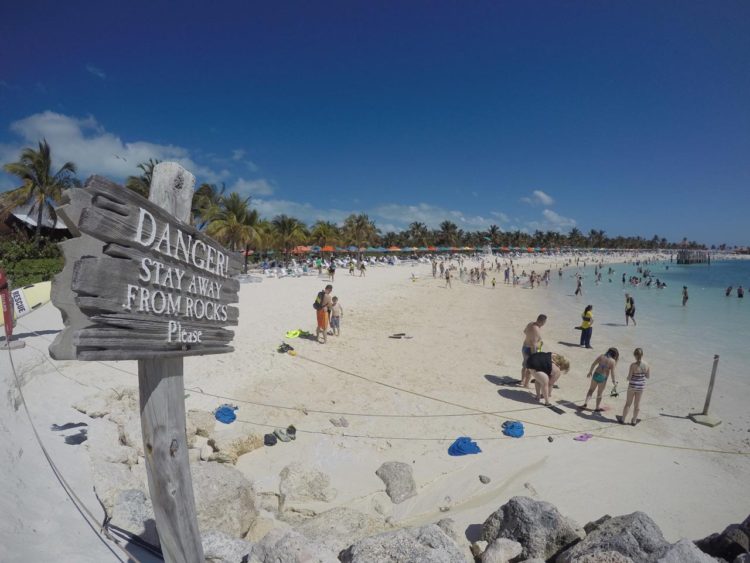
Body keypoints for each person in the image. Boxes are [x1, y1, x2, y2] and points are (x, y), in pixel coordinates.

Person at [618, 348, 650, 426]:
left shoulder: (633, 365)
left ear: (635, 355)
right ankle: (634, 421)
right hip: (640, 387)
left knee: (628, 403)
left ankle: (623, 419)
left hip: (632, 386)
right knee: (637, 404)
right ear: (642, 355)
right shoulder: (647, 365)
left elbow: (629, 377)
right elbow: (648, 376)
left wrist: (627, 378)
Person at [580, 348, 619, 412]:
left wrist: (590, 372)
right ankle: (597, 407)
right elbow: (612, 373)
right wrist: (613, 381)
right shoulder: (613, 361)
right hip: (603, 378)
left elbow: (593, 364)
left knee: (591, 390)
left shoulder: (601, 356)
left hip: (596, 374)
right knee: (599, 393)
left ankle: (585, 403)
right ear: (615, 355)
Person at [521, 314, 547, 387]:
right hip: (530, 349)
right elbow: (534, 344)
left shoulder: (530, 323)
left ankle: (522, 381)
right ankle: (526, 385)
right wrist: (535, 356)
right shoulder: (537, 330)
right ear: (543, 322)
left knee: (524, 365)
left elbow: (525, 331)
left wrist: (530, 337)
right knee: (530, 369)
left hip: (524, 346)